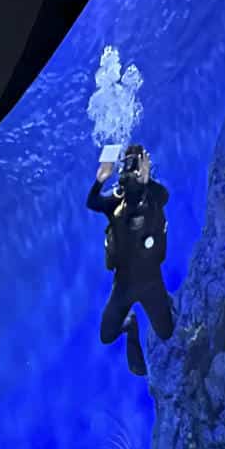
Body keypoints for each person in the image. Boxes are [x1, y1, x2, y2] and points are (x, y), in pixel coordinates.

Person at [88, 144, 174, 377]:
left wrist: (148, 182)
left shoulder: (154, 195)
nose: (130, 168)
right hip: (123, 284)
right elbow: (92, 202)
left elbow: (164, 196)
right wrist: (100, 179)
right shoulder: (116, 201)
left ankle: (169, 304)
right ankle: (131, 324)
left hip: (151, 281)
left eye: (134, 162)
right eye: (126, 163)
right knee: (106, 335)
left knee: (167, 332)